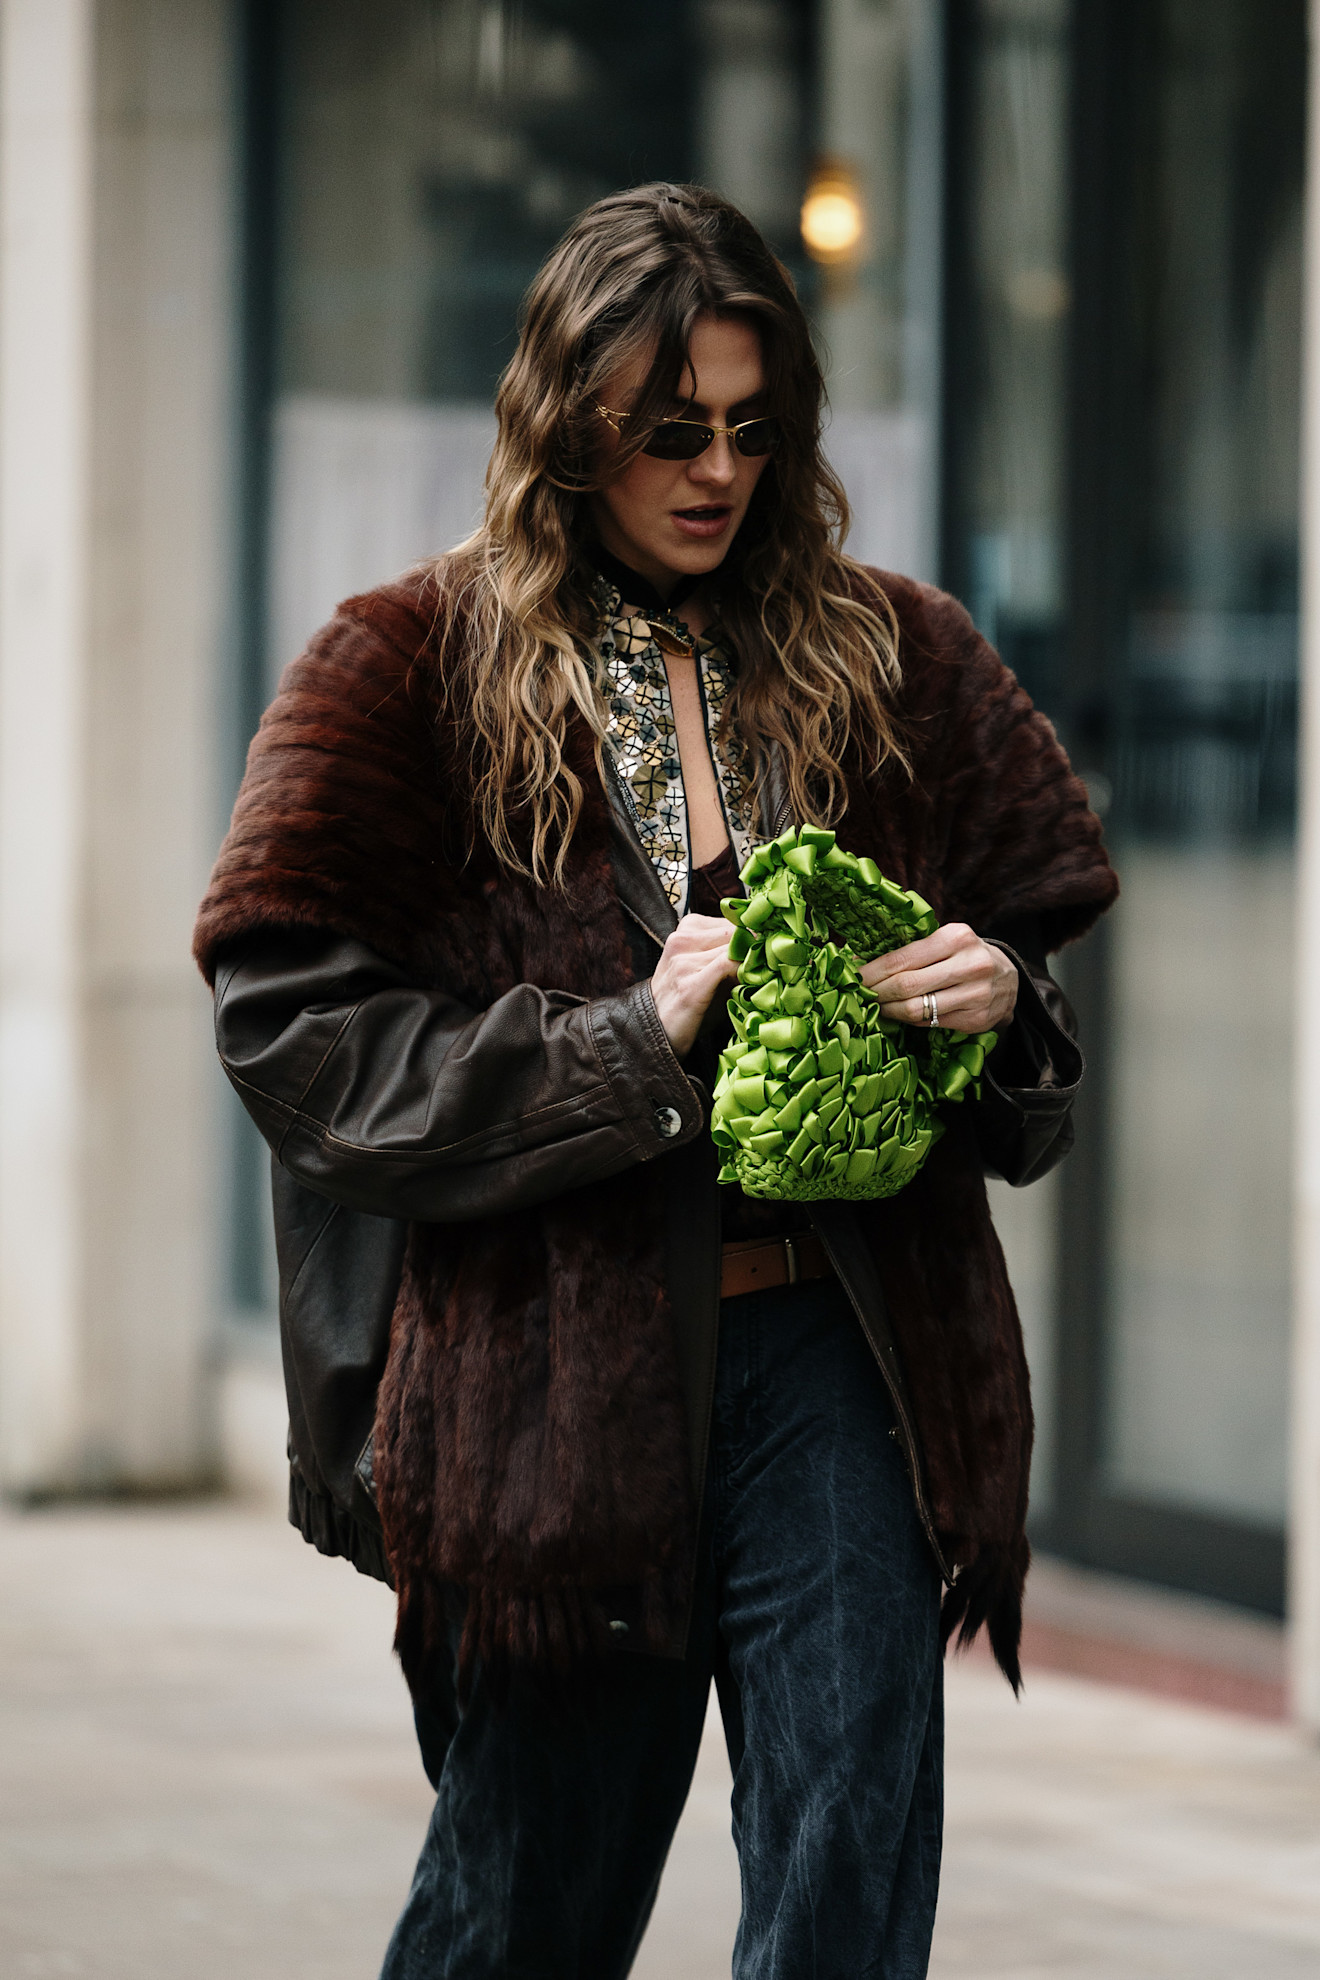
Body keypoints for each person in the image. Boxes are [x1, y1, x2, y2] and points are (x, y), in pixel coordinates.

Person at [194, 183, 1116, 1979]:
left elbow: (1033, 1039)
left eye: (751, 427)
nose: (715, 470)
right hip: (555, 1382)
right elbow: (294, 1039)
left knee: (849, 1878)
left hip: (839, 1359)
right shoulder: (409, 671)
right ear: (567, 426)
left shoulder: (894, 656)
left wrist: (994, 997)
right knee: (523, 1910)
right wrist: (623, 1045)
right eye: (666, 429)